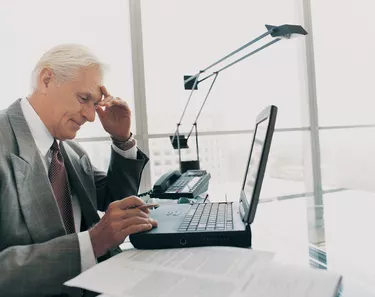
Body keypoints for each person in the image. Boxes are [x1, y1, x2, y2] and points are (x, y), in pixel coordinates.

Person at [0, 44, 158, 296]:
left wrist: (122, 140)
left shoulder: (71, 152)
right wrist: (91, 243)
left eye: (95, 104)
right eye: (83, 99)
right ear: (47, 79)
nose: (91, 116)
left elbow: (114, 202)